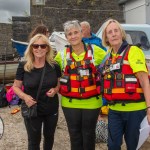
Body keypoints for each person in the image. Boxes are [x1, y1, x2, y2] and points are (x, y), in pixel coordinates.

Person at [55, 20, 106, 150]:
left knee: (89, 135)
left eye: (76, 32)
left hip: (92, 102)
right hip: (70, 102)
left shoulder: (96, 51)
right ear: (66, 37)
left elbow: (112, 62)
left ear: (82, 33)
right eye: (70, 34)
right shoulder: (61, 56)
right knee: (74, 135)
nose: (73, 36)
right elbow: (49, 72)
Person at [101, 18, 150, 150]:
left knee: (133, 146)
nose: (114, 34)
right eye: (110, 32)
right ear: (106, 37)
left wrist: (149, 108)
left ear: (121, 33)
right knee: (113, 146)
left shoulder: (133, 51)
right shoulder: (108, 57)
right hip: (115, 111)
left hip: (135, 111)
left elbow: (144, 81)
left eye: (116, 30)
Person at [13, 34, 61, 150]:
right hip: (32, 108)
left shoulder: (54, 66)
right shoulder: (24, 65)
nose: (39, 49)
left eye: (43, 46)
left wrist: (55, 90)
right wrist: (25, 97)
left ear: (47, 48)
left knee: (49, 137)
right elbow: (15, 87)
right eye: (36, 46)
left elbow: (58, 84)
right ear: (31, 48)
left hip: (51, 108)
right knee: (34, 141)